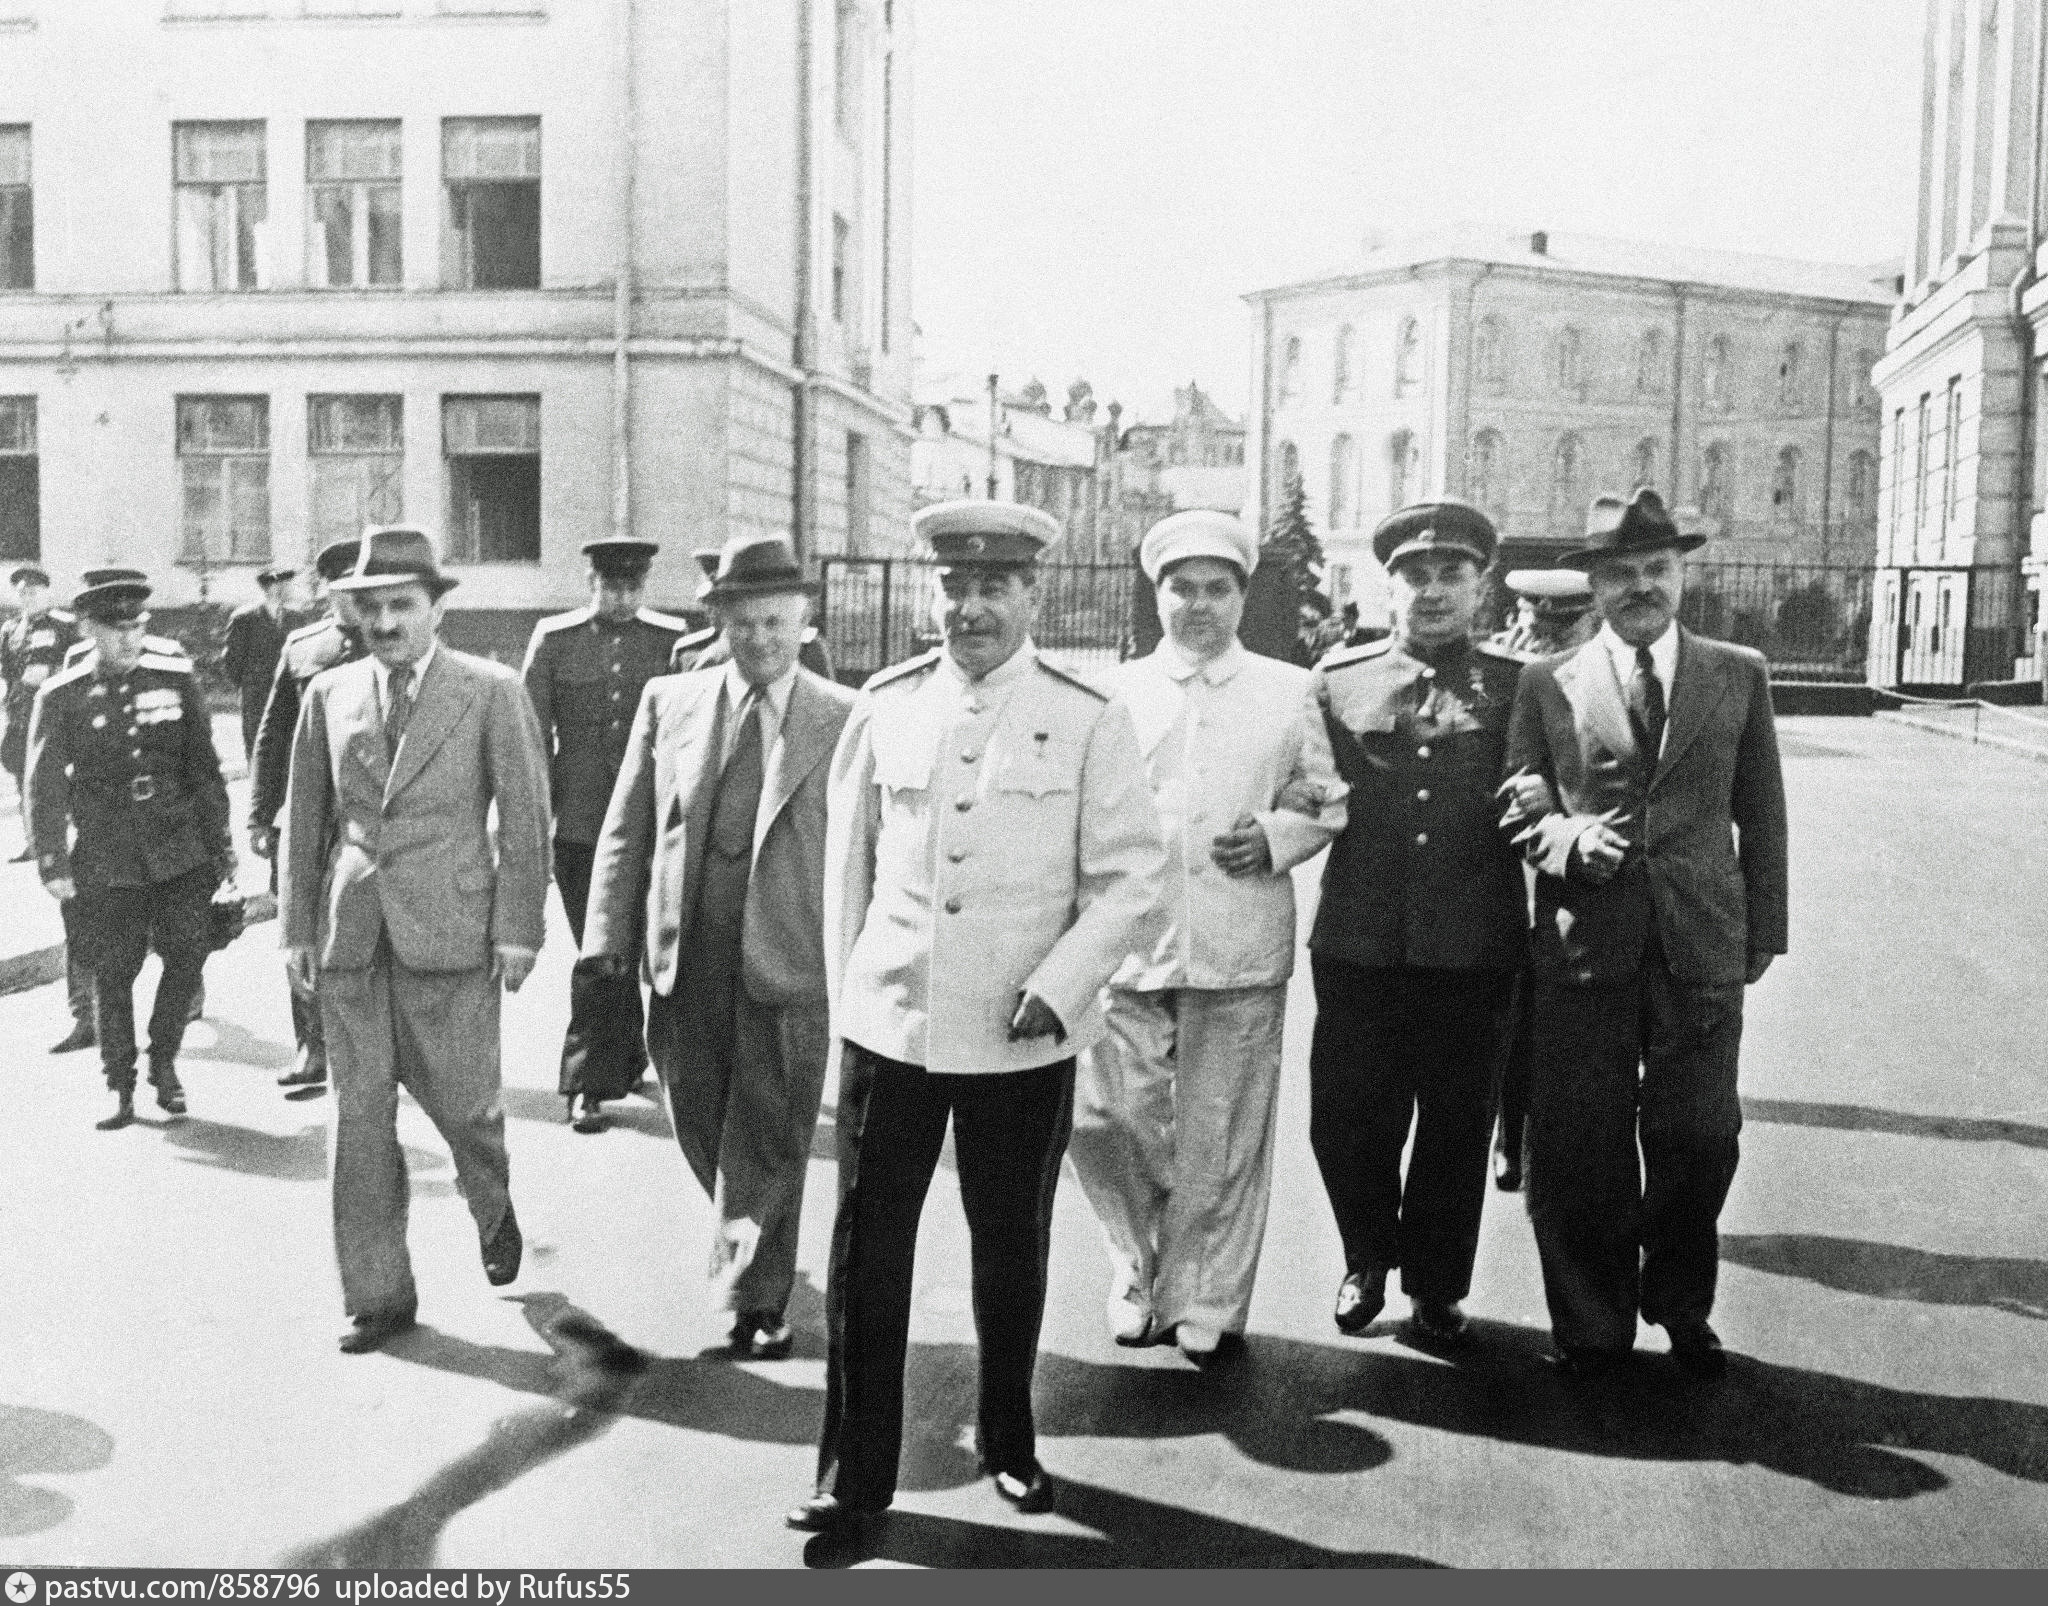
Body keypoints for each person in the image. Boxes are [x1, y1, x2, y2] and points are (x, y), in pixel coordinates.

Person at [790, 500, 1163, 1535]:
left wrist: (1060, 983)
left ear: (1032, 596)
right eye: (952, 587)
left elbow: (1132, 877)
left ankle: (1009, 1437)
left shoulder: (1087, 713)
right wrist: (846, 1018)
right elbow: (845, 873)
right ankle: (850, 1473)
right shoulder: (885, 704)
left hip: (1021, 1031)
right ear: (932, 596)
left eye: (993, 587)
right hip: (893, 1025)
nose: (970, 607)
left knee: (1009, 1248)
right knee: (868, 1255)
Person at [1501, 487, 1787, 1381]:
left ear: (1680, 574)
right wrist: (1565, 839)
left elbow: (1762, 812)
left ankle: (1679, 1303)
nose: (1640, 588)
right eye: (1620, 574)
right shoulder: (1548, 681)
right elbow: (1522, 794)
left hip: (1700, 937)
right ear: (1593, 584)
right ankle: (1590, 1323)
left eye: (1655, 569)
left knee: (1700, 1135)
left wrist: (1766, 927)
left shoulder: (1738, 672)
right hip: (1586, 938)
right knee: (1580, 1137)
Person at [1068, 509, 1346, 1362]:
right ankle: (1137, 1267)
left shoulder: (1287, 688)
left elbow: (1322, 796)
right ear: (1157, 594)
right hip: (1127, 943)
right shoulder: (1110, 692)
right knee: (1106, 1119)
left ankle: (1208, 1300)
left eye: (1216, 589)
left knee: (1222, 1135)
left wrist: (1276, 835)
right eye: (1180, 588)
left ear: (1241, 596)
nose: (1198, 605)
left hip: (1237, 938)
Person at [280, 526, 552, 1356]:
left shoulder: (491, 690)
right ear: (354, 615)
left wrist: (519, 930)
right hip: (354, 933)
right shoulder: (329, 694)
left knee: (466, 1108)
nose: (388, 621)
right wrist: (295, 928)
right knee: (358, 1121)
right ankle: (377, 1294)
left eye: (403, 604)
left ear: (436, 607)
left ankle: (491, 1202)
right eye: (372, 608)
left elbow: (527, 817)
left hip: (455, 927)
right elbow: (307, 820)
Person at [581, 532, 855, 1357]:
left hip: (789, 961)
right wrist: (605, 934)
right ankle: (751, 1237)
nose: (761, 640)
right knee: (699, 1118)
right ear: (720, 624)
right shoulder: (671, 702)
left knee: (768, 1132)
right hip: (685, 953)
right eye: (745, 625)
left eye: (777, 623)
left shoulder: (845, 720)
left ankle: (754, 1295)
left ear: (804, 622)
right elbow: (628, 828)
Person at [1306, 499, 1527, 1346]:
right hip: (1361, 942)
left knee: (1455, 1124)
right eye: (1414, 576)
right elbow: (1304, 789)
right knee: (1348, 1117)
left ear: (1481, 586)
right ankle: (1366, 1255)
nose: (1432, 592)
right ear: (1388, 585)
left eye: (1451, 575)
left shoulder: (1519, 687)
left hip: (1474, 946)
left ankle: (1436, 1286)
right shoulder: (1339, 681)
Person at [26, 574, 236, 1130]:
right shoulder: (62, 695)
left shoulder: (175, 679)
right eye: (115, 629)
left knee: (188, 957)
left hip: (180, 851)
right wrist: (53, 861)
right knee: (113, 973)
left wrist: (222, 848)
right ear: (89, 628)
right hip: (107, 854)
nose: (129, 638)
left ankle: (163, 1060)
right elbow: (42, 785)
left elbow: (205, 771)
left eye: (137, 626)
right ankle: (118, 1084)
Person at [521, 538, 691, 1133]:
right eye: (609, 586)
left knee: (649, 949)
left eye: (631, 587)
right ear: (590, 583)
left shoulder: (671, 640)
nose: (620, 598)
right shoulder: (554, 640)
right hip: (582, 826)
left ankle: (633, 1056)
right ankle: (588, 1083)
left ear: (643, 586)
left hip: (656, 822)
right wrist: (534, 821)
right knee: (599, 952)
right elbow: (531, 740)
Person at [1485, 567, 1596, 1193]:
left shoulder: (1600, 673)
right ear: (1519, 617)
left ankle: (1540, 1135)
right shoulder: (1499, 673)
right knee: (1511, 1010)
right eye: (1539, 624)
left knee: (1560, 1014)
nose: (1550, 637)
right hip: (1502, 862)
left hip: (1574, 868)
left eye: (1566, 625)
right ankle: (1509, 1132)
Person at [248, 537, 366, 1093]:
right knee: (299, 928)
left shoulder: (396, 641)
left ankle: (377, 1051)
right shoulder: (302, 647)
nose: (348, 595)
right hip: (306, 814)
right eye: (336, 584)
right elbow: (272, 737)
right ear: (324, 590)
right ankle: (312, 1046)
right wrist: (259, 814)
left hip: (370, 817)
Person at [2, 565, 80, 864]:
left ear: (45, 593)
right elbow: (8, 674)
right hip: (21, 717)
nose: (28, 598)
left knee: (55, 776)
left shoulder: (64, 626)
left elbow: (78, 667)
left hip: (55, 715)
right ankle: (33, 842)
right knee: (24, 777)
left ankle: (62, 840)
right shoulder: (10, 630)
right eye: (23, 593)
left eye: (33, 592)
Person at [671, 552, 838, 681]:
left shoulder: (808, 647)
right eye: (743, 622)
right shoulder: (694, 653)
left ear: (803, 619)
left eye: (772, 622)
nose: (759, 639)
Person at [220, 566, 299, 762]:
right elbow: (232, 662)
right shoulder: (244, 618)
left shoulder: (297, 618)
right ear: (272, 587)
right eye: (285, 583)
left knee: (289, 753)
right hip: (256, 699)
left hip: (290, 696)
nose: (290, 588)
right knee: (258, 752)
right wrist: (250, 686)